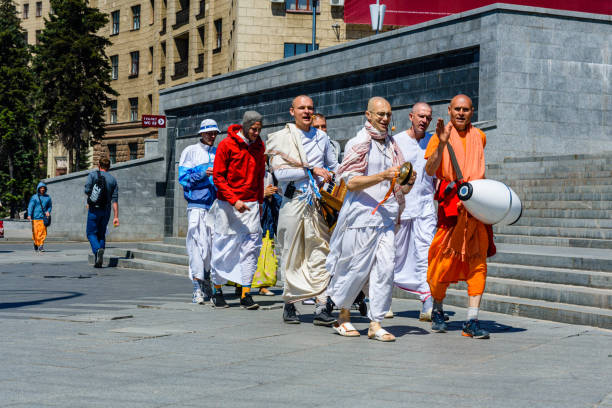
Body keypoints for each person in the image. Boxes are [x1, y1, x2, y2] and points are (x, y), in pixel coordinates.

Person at [326, 97, 416, 342]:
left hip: (385, 217)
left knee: (385, 269)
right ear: (368, 115)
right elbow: (350, 181)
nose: (385, 119)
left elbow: (397, 185)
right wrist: (382, 176)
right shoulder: (359, 142)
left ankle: (375, 323)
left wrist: (407, 183)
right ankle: (342, 316)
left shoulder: (393, 145)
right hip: (361, 217)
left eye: (388, 114)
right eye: (380, 114)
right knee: (355, 268)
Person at [266, 95, 338, 326]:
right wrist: (311, 170)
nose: (307, 112)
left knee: (320, 252)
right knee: (291, 253)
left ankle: (321, 305)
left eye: (310, 108)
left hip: (317, 204)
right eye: (302, 108)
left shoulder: (322, 138)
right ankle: (290, 305)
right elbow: (281, 173)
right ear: (292, 111)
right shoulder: (283, 138)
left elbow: (334, 167)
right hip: (293, 201)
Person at [424, 94, 491, 339]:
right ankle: (438, 309)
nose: (461, 113)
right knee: (442, 264)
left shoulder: (480, 137)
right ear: (449, 110)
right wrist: (441, 144)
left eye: (466, 109)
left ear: (472, 111)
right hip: (451, 209)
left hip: (476, 211)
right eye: (457, 109)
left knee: (478, 265)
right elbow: (430, 170)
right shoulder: (437, 137)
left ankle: (471, 321)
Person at [207, 111, 266, 310]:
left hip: (251, 205)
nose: (256, 133)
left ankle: (246, 293)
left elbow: (259, 176)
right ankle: (217, 291)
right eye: (253, 129)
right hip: (227, 205)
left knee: (251, 249)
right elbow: (218, 177)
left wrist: (259, 201)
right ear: (244, 126)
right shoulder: (226, 145)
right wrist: (234, 200)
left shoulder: (259, 146)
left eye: (259, 129)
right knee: (223, 247)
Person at [393, 102, 437, 321]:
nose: (424, 120)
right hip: (402, 206)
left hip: (426, 206)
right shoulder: (397, 141)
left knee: (426, 253)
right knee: (394, 253)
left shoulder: (434, 141)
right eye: (420, 116)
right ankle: (384, 298)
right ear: (411, 116)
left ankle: (427, 302)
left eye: (428, 117)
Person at [178, 118, 219, 304]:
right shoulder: (190, 151)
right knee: (195, 246)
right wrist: (203, 174)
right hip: (196, 205)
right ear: (202, 133)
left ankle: (207, 282)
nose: (212, 136)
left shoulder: (219, 153)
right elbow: (183, 179)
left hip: (215, 207)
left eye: (215, 133)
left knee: (211, 248)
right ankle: (196, 286)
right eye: (209, 133)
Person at [252, 167, 282, 296]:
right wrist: (263, 194)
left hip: (266, 219)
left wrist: (272, 194)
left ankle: (263, 285)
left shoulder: (268, 175)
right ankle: (241, 285)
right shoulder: (247, 172)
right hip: (250, 217)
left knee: (266, 252)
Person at [84, 157, 119, 268]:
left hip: (94, 209)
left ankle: (97, 250)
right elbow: (115, 199)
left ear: (99, 165)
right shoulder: (113, 180)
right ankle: (99, 257)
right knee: (101, 233)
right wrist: (116, 216)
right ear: (109, 167)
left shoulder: (93, 175)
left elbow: (87, 190)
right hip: (106, 210)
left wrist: (92, 198)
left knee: (90, 233)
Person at [27, 182, 52, 253]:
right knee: (35, 232)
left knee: (43, 232)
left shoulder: (48, 197)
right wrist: (29, 215)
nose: (42, 189)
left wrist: (48, 211)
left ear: (45, 189)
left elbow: (49, 206)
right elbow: (30, 206)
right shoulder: (34, 197)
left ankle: (41, 245)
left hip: (43, 218)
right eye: (41, 188)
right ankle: (35, 243)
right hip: (35, 218)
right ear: (38, 189)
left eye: (44, 188)